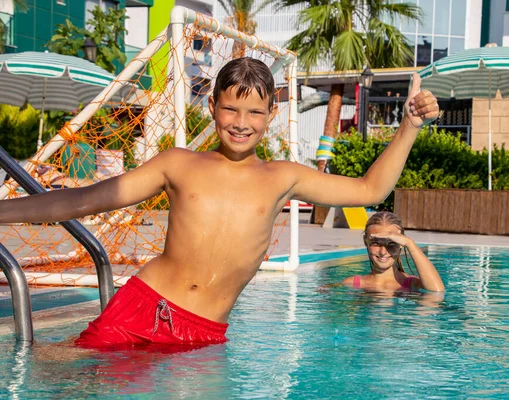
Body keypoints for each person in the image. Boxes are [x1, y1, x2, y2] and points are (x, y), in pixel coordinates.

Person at [0, 57, 439, 348]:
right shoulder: (179, 164)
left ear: (271, 115)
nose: (241, 123)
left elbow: (369, 191)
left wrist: (410, 128)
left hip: (204, 332)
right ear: (212, 107)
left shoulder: (282, 178)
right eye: (231, 109)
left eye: (254, 113)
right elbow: (83, 202)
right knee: (69, 379)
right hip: (142, 306)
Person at [342, 211, 444, 292]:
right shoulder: (352, 283)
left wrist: (410, 243)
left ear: (400, 244)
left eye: (392, 243)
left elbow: (437, 291)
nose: (383, 252)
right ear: (366, 242)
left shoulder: (412, 284)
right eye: (376, 243)